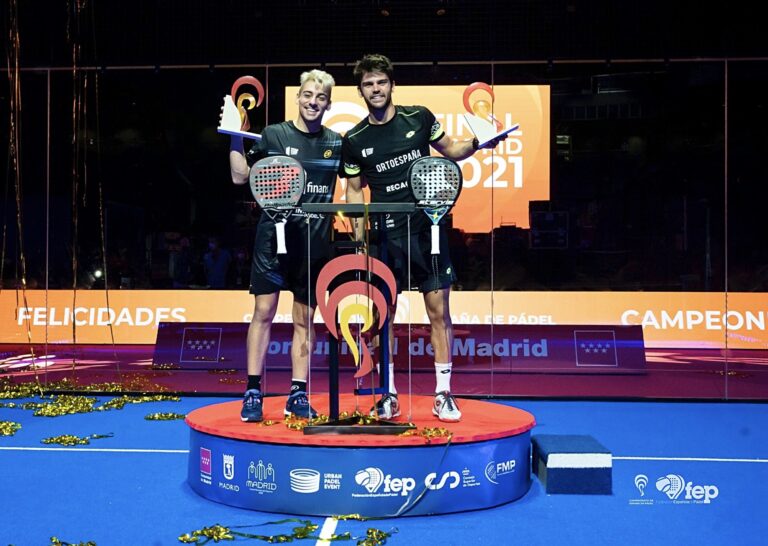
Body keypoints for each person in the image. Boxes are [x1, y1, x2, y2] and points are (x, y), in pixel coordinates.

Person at [342, 54, 507, 423]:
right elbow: (354, 191)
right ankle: (387, 394)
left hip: (427, 230)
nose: (376, 89)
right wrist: (359, 237)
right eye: (369, 84)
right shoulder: (354, 139)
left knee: (439, 313)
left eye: (381, 82)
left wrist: (482, 142)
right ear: (360, 91)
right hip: (384, 237)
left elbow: (453, 150)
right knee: (381, 318)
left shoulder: (419, 118)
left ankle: (443, 393)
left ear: (392, 85)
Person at [229, 69, 342, 422]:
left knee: (304, 320)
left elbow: (357, 182)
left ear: (328, 102)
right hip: (272, 239)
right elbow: (240, 176)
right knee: (263, 313)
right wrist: (234, 135)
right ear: (299, 97)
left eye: (320, 97)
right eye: (308, 95)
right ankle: (252, 390)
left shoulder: (337, 143)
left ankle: (297, 393)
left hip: (315, 242)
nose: (313, 102)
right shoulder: (274, 134)